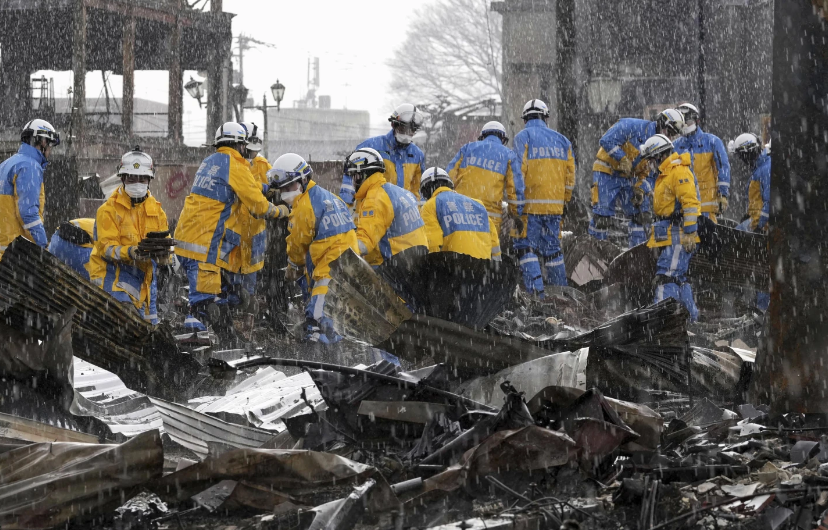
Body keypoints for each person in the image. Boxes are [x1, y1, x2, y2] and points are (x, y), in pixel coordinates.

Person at [175, 122, 289, 333]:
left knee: (215, 296)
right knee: (205, 305)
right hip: (204, 244)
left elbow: (245, 185)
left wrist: (266, 188)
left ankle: (216, 335)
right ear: (241, 145)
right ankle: (201, 347)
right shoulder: (235, 164)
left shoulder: (211, 161)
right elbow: (258, 206)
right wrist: (281, 211)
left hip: (187, 238)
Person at [268, 153, 358, 343]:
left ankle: (324, 364)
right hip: (350, 269)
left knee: (319, 318)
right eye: (282, 188)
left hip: (330, 272)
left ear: (303, 179)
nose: (285, 192)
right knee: (335, 320)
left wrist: (293, 267)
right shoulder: (330, 198)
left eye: (289, 186)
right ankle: (339, 359)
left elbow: (297, 246)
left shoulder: (304, 208)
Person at [87, 148, 171, 324]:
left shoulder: (157, 211)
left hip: (145, 282)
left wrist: (165, 258)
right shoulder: (108, 210)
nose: (137, 182)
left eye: (142, 178)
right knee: (128, 325)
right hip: (114, 278)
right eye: (132, 177)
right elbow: (106, 248)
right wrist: (131, 252)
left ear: (150, 179)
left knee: (150, 334)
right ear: (123, 178)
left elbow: (166, 245)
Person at [589, 109, 685, 247]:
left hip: (630, 177)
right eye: (670, 133)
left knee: (641, 217)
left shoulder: (662, 147)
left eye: (673, 135)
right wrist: (621, 158)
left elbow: (652, 175)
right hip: (607, 172)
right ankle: (594, 249)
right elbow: (606, 140)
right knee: (601, 218)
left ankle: (635, 252)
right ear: (662, 124)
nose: (670, 138)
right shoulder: (630, 125)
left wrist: (641, 188)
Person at [511, 99, 574, 298]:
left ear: (525, 119)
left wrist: (517, 207)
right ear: (546, 117)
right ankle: (561, 296)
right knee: (553, 252)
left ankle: (537, 296)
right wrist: (564, 201)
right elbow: (570, 177)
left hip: (530, 207)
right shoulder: (563, 141)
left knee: (525, 248)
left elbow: (518, 174)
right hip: (555, 208)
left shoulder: (523, 137)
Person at [640, 134, 701, 321]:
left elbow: (690, 203)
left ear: (658, 155)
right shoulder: (667, 173)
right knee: (678, 278)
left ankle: (662, 321)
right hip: (671, 233)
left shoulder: (678, 171)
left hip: (678, 234)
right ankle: (690, 320)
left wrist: (690, 232)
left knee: (666, 277)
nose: (649, 164)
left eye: (650, 159)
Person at [346, 147, 428, 265]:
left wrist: (338, 249)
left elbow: (364, 244)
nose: (353, 181)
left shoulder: (375, 198)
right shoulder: (401, 192)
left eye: (354, 175)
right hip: (419, 263)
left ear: (361, 175)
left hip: (397, 269)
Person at [446, 121, 524, 236]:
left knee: (460, 247)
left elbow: (448, 176)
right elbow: (515, 190)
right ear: (503, 139)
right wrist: (516, 213)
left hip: (461, 211)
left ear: (483, 136)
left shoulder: (467, 149)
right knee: (488, 251)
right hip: (490, 217)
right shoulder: (508, 155)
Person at [339, 104, 426, 205]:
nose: (407, 134)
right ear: (393, 124)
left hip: (401, 214)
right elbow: (351, 174)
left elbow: (417, 189)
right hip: (371, 209)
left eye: (412, 130)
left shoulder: (417, 155)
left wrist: (417, 210)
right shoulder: (371, 146)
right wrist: (346, 203)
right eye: (403, 129)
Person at [0, 119, 60, 259]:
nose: (50, 150)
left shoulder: (6, 164)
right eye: (50, 145)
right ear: (43, 142)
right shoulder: (30, 167)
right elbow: (27, 213)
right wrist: (43, 245)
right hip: (13, 256)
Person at [419, 167, 501, 260]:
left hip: (454, 268)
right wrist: (496, 267)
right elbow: (494, 242)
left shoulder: (429, 207)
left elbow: (433, 244)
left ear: (425, 191)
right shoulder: (478, 205)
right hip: (483, 268)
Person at [729, 132, 771, 311]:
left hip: (766, 229)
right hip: (759, 224)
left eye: (741, 157)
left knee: (764, 270)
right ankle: (756, 306)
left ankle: (762, 310)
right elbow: (758, 201)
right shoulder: (760, 167)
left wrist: (758, 225)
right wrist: (749, 216)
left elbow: (770, 202)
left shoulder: (766, 169)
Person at [231, 121, 271, 304]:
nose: (253, 154)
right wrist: (259, 188)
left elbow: (274, 190)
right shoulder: (231, 164)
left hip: (255, 231)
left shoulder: (263, 166)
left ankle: (247, 309)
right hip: (235, 229)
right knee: (232, 272)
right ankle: (234, 307)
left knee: (251, 272)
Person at [674, 103, 731, 222]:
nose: (685, 125)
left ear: (697, 120)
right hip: (683, 207)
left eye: (688, 121)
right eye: (681, 122)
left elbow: (723, 167)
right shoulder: (675, 145)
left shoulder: (712, 142)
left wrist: (723, 195)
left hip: (706, 206)